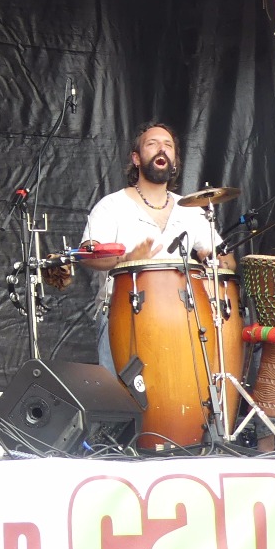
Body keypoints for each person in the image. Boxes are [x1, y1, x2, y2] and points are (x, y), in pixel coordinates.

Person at [79, 121, 225, 370]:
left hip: (182, 317)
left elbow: (225, 259)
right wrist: (127, 260)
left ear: (174, 161)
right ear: (136, 158)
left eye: (168, 145)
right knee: (121, 393)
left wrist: (212, 258)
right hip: (123, 313)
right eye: (152, 144)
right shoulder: (111, 206)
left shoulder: (191, 210)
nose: (162, 149)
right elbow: (87, 254)